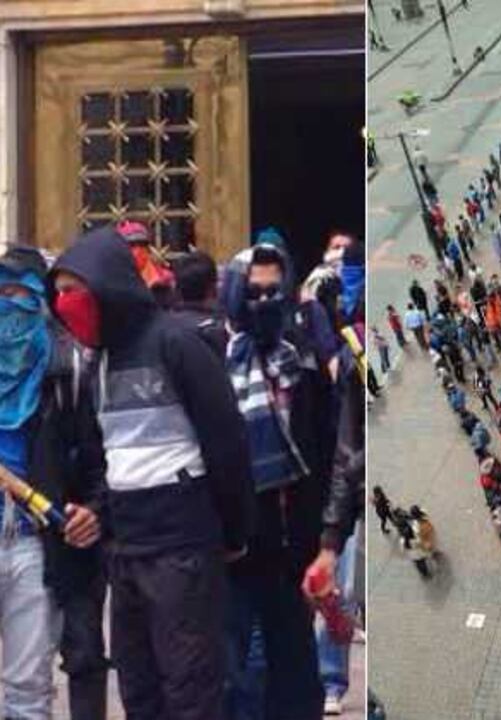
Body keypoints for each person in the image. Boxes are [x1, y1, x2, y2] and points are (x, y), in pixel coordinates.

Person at [50, 227, 252, 720]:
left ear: (107, 285)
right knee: (139, 691)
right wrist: (96, 512)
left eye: (72, 291)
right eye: (56, 294)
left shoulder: (175, 344)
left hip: (181, 549)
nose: (63, 303)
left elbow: (226, 442)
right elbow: (108, 462)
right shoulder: (97, 363)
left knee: (189, 690)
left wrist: (234, 530)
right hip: (127, 553)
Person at [219, 243, 329, 720]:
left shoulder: (297, 358)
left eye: (272, 292)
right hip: (235, 553)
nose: (263, 302)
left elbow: (322, 444)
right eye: (253, 292)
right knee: (242, 676)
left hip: (291, 548)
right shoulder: (209, 358)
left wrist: (324, 539)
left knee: (292, 675)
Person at [0, 246, 108, 720]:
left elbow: (100, 456)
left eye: (21, 294)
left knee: (28, 687)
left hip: (33, 539)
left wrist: (95, 509)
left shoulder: (71, 370)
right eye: (0, 293)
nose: (10, 307)